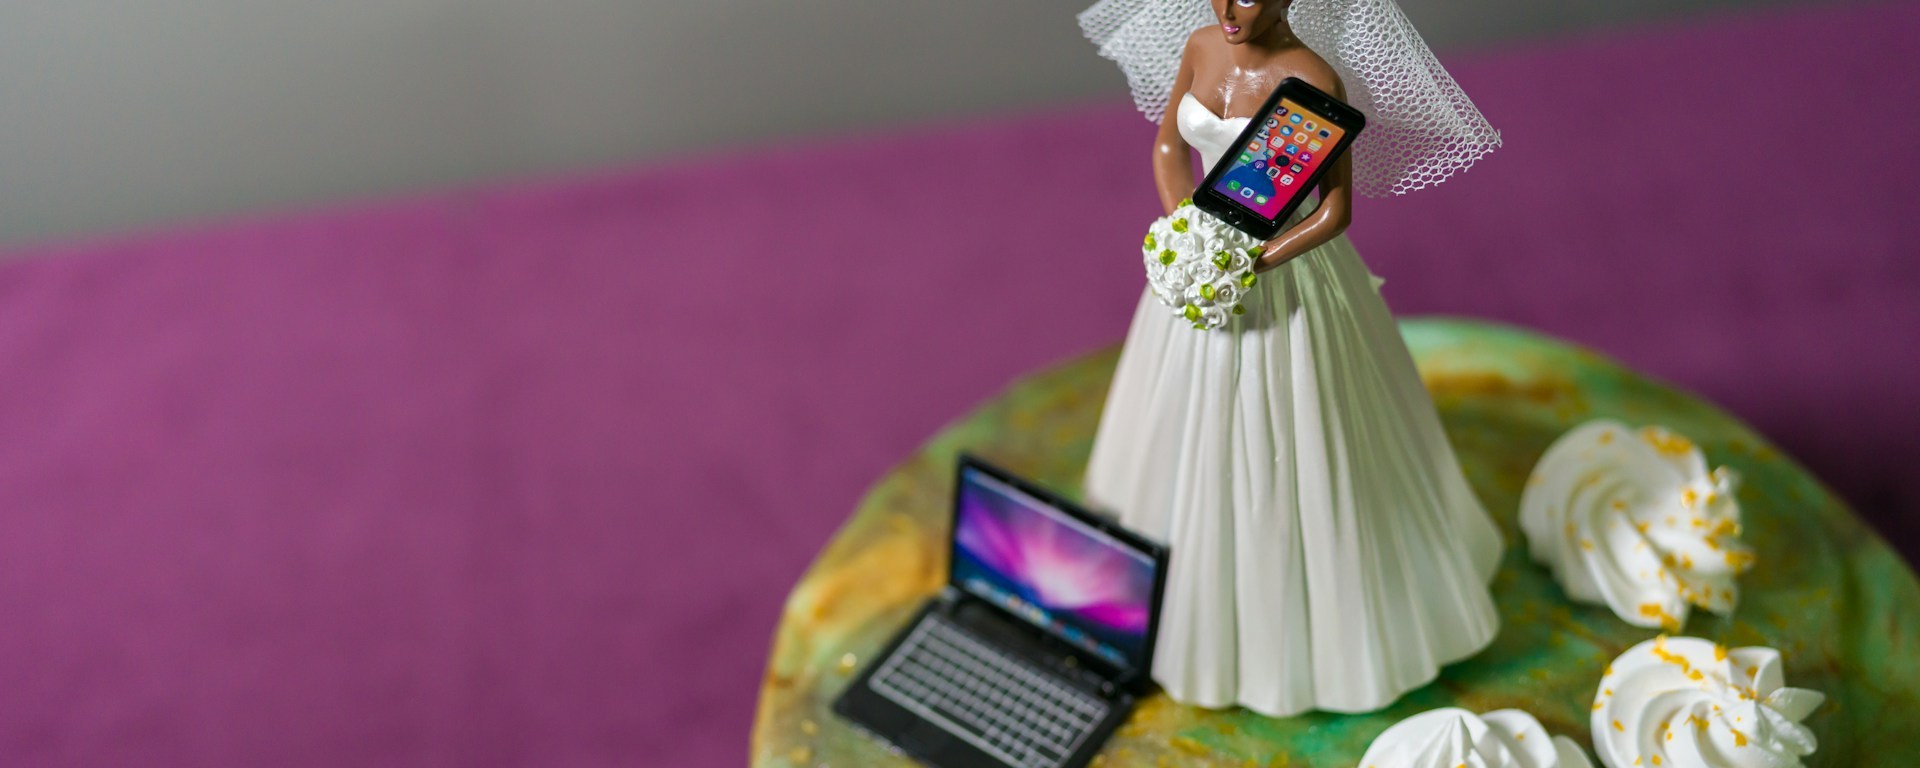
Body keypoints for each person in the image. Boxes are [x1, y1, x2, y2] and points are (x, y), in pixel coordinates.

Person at [1078, 0, 1506, 717]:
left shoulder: (1311, 79)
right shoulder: (1199, 45)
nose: (1229, 8)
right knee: (1183, 431)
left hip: (1284, 285)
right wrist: (1187, 233)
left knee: (1301, 440)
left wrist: (1244, 264)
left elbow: (1333, 213)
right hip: (1199, 265)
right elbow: (1166, 147)